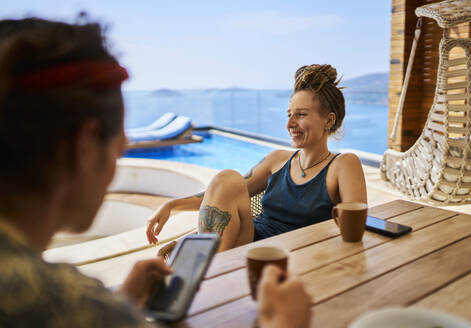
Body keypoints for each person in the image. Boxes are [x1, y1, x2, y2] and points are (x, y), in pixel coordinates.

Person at [0, 17, 311, 328]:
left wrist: (121, 302)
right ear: (83, 146)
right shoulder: (65, 303)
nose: (120, 154)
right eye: (119, 145)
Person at [147, 64, 367, 252]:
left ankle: (206, 271)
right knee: (227, 179)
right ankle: (207, 265)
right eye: (289, 114)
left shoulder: (343, 165)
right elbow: (223, 194)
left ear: (328, 120)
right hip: (248, 247)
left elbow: (355, 230)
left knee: (227, 180)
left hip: (295, 257)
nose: (289, 124)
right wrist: (172, 206)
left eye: (301, 114)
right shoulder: (277, 160)